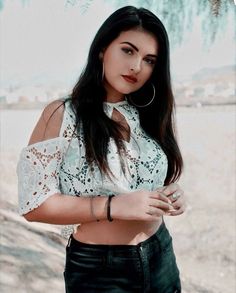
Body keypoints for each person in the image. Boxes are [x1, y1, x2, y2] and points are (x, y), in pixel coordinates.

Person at [17, 5, 186, 293]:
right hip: (100, 271)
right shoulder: (62, 114)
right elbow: (33, 205)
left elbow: (146, 179)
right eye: (128, 50)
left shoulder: (148, 113)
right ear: (102, 49)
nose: (136, 67)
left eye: (149, 60)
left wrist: (172, 194)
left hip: (161, 256)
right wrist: (114, 206)